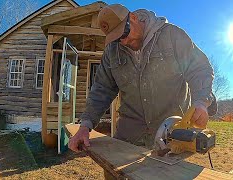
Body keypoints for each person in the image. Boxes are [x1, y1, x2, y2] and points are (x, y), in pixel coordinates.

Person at [69, 3, 216, 153]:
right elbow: (101, 90)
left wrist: (201, 102)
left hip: (172, 135)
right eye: (117, 38)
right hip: (129, 137)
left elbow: (200, 69)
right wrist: (85, 126)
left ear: (133, 18)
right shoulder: (112, 52)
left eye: (124, 33)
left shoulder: (172, 36)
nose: (123, 41)